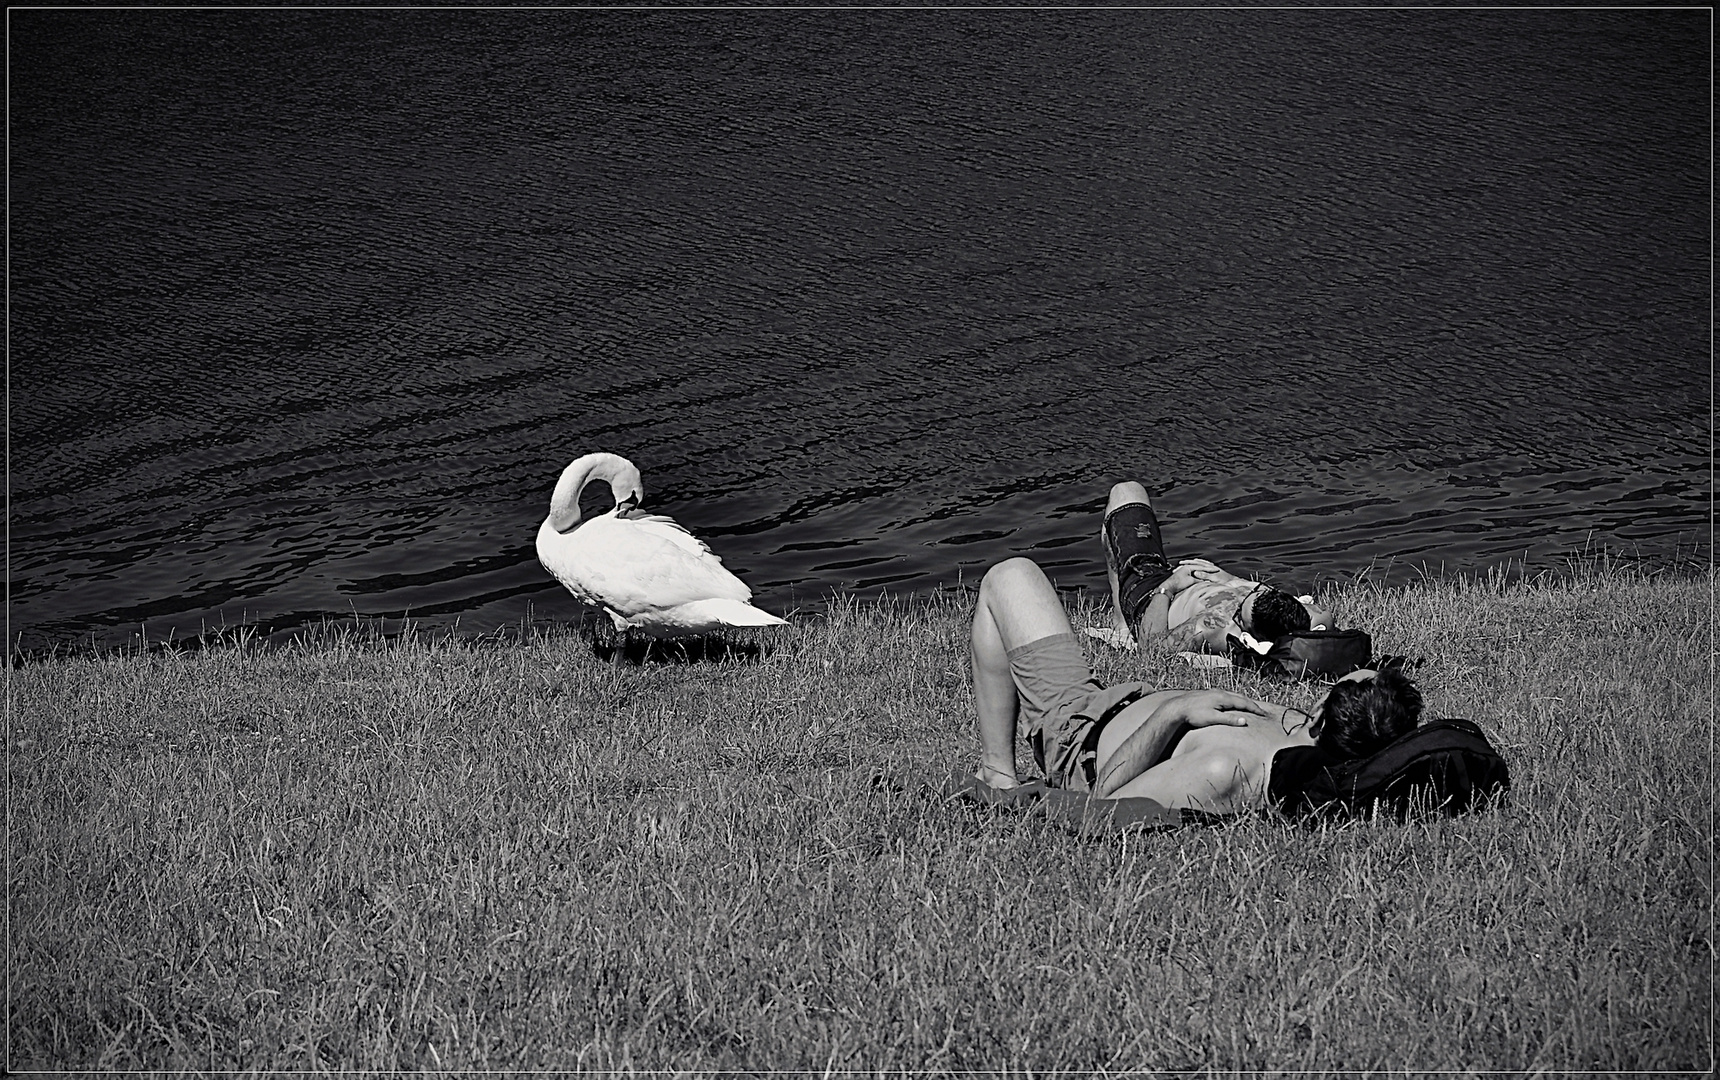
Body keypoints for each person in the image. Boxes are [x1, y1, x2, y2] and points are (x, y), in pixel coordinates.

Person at [971, 554, 1423, 813]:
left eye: (1345, 681)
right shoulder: (1306, 730)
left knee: (1010, 577)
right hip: (1109, 704)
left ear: (1327, 709)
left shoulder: (1226, 769)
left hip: (1076, 733)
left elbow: (1104, 805)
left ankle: (999, 776)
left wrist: (1175, 711)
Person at [1098, 481, 1333, 655]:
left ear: (1251, 634)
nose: (1238, 605)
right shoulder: (1310, 616)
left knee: (1125, 492)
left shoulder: (1212, 626)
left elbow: (1152, 651)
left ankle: (1122, 621)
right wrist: (1231, 580)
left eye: (1240, 614)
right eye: (1251, 595)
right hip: (1183, 581)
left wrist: (1168, 588)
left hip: (1149, 595)